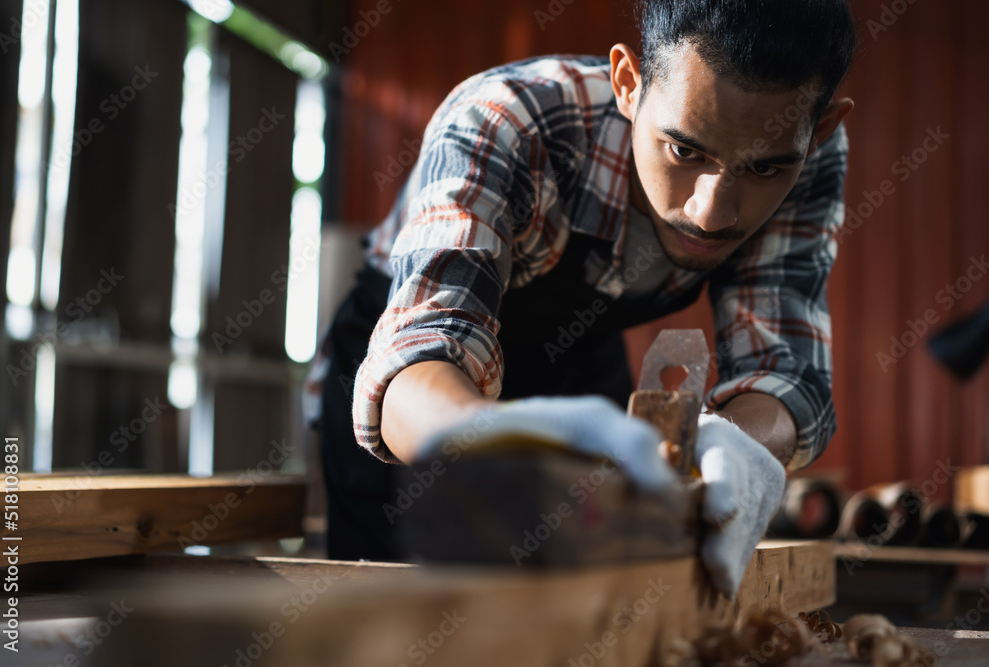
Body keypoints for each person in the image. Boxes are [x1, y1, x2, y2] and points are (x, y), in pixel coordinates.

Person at [307, 0, 856, 597]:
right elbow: (419, 358)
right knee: (400, 622)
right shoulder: (508, 119)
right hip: (422, 384)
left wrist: (732, 445)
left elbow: (786, 374)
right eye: (684, 151)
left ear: (820, 129)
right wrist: (498, 447)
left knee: (595, 603)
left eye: (764, 170)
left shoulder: (813, 153)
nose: (711, 213)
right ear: (628, 84)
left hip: (577, 355)